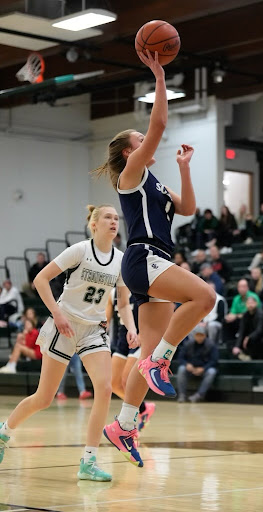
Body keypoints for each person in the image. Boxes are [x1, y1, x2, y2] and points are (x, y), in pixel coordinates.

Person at [94, 50, 215, 466]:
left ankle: (124, 424)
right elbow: (159, 123)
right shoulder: (131, 178)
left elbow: (188, 210)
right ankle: (161, 360)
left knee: (146, 356)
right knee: (206, 298)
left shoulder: (155, 182)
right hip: (144, 257)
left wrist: (184, 166)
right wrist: (159, 76)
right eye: (139, 141)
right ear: (130, 153)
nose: (146, 144)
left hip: (154, 262)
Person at [0, 204, 138, 482]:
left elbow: (123, 304)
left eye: (116, 218)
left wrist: (132, 329)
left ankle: (88, 462)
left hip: (93, 330)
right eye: (108, 217)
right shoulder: (79, 250)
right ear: (95, 224)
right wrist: (57, 313)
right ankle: (3, 432)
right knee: (44, 398)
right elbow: (40, 279)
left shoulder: (122, 260)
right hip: (64, 325)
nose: (114, 221)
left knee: (104, 388)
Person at [106, 288, 156, 431]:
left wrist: (143, 333)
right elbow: (105, 321)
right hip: (123, 339)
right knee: (113, 383)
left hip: (142, 338)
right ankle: (143, 408)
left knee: (127, 380)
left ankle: (128, 422)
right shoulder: (113, 293)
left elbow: (156, 314)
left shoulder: (141, 289)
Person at [177, 324, 218, 403]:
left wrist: (203, 368)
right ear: (194, 336)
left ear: (205, 335)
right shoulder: (188, 344)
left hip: (204, 369)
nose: (199, 337)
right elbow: (181, 358)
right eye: (197, 335)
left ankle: (199, 395)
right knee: (181, 369)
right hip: (191, 368)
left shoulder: (211, 345)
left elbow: (214, 361)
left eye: (201, 335)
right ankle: (182, 395)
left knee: (212, 372)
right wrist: (186, 364)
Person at [232, 296, 263, 360]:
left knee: (253, 341)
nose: (250, 305)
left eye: (252, 303)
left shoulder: (261, 314)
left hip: (259, 338)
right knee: (231, 344)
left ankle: (249, 356)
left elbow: (259, 330)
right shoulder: (245, 315)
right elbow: (241, 330)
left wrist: (249, 337)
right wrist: (237, 346)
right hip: (247, 338)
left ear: (256, 303)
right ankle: (243, 355)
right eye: (248, 303)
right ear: (246, 304)